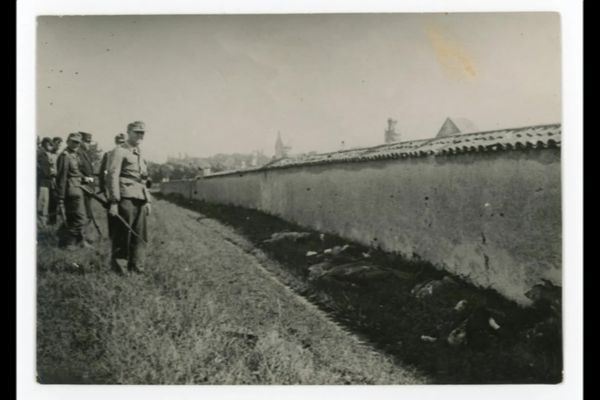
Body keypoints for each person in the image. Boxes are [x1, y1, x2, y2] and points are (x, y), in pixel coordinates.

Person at [106, 121, 152, 274]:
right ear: (128, 132)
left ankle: (137, 268)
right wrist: (113, 201)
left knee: (140, 235)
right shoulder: (120, 151)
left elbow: (143, 179)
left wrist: (147, 201)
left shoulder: (139, 152)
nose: (140, 135)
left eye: (142, 133)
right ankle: (120, 270)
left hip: (140, 198)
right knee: (123, 234)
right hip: (125, 197)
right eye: (137, 132)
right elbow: (113, 175)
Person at [55, 133, 90, 248]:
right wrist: (60, 196)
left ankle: (79, 241)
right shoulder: (65, 156)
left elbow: (75, 172)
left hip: (78, 187)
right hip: (71, 190)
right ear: (68, 141)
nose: (76, 144)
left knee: (76, 217)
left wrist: (84, 178)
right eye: (74, 141)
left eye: (78, 142)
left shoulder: (74, 155)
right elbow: (62, 177)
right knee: (80, 218)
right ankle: (69, 243)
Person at [98, 133, 126, 238]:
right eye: (119, 142)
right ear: (115, 142)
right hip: (112, 188)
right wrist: (103, 189)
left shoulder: (129, 153)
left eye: (123, 142)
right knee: (112, 214)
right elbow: (102, 173)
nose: (120, 144)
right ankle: (113, 238)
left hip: (126, 189)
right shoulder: (109, 154)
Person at [36, 137, 56, 228]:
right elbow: (41, 168)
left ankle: (42, 223)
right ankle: (40, 224)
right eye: (50, 144)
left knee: (44, 203)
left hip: (46, 182)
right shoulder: (40, 154)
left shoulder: (44, 154)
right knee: (42, 202)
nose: (51, 146)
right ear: (45, 144)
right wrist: (49, 173)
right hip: (42, 182)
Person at [47, 136, 63, 225]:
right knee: (53, 200)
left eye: (60, 144)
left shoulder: (61, 155)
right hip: (53, 180)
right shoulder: (49, 155)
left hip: (60, 180)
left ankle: (61, 220)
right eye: (57, 144)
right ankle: (52, 220)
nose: (58, 146)